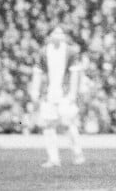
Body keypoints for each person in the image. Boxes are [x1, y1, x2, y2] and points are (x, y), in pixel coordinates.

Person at [29, 26, 85, 167]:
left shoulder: (70, 52)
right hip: (49, 94)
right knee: (48, 126)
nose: (58, 35)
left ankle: (77, 154)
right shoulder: (43, 52)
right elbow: (37, 72)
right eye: (55, 32)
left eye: (61, 33)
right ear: (50, 35)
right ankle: (53, 158)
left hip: (65, 94)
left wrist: (73, 92)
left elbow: (74, 73)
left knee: (67, 124)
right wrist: (35, 90)